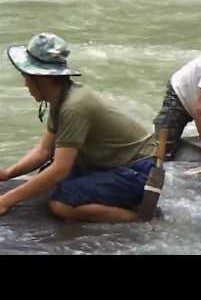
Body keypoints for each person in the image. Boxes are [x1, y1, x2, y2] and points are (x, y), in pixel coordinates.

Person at [0, 33, 157, 222]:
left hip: (141, 172)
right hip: (116, 165)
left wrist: (5, 201)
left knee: (60, 204)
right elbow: (44, 151)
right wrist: (8, 174)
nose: (26, 84)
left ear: (40, 78)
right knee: (47, 181)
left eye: (27, 77)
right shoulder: (61, 98)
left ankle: (139, 219)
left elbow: (60, 169)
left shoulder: (74, 107)